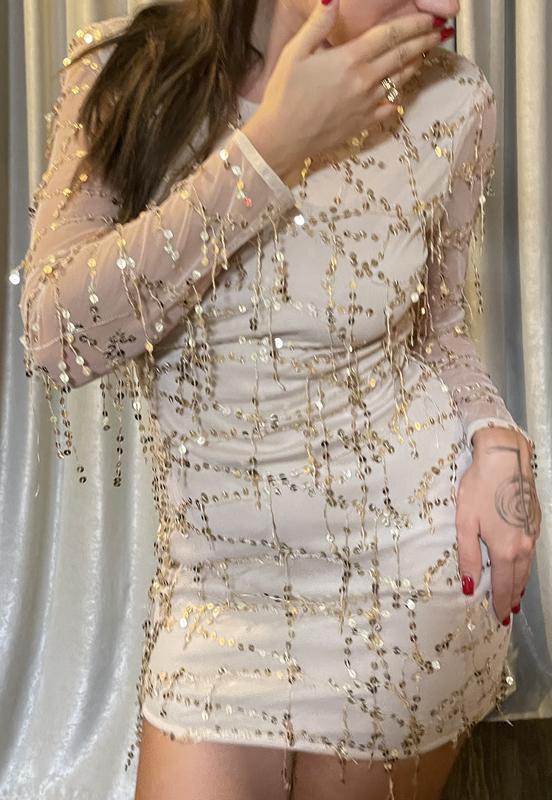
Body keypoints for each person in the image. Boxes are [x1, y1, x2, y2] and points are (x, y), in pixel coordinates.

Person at [16, 0, 542, 798]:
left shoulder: (453, 97)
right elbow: (58, 335)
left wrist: (498, 437)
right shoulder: (124, 72)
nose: (447, 7)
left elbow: (439, 329)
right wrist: (271, 149)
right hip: (215, 602)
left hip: (407, 586)